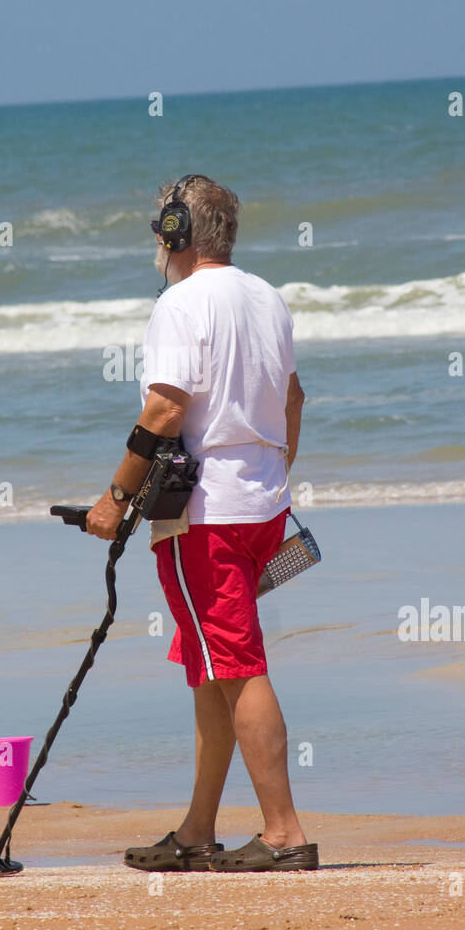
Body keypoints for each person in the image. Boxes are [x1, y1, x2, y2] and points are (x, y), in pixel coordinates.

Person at [85, 174, 317, 873]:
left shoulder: (181, 304)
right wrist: (272, 480)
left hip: (205, 522)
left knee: (238, 667)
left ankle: (283, 832)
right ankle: (197, 829)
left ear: (178, 231)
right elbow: (293, 398)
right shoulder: (268, 298)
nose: (157, 236)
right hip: (262, 511)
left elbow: (163, 411)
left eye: (161, 222)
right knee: (210, 667)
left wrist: (114, 500)